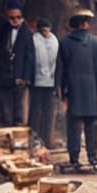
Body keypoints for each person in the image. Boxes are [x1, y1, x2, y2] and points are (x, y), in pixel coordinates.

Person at [57, 10, 97, 171]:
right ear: (85, 24)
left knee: (73, 127)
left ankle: (74, 159)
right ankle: (93, 158)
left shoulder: (64, 43)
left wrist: (62, 93)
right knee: (91, 125)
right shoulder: (96, 43)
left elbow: (61, 70)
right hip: (91, 91)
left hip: (73, 91)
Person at [0, 0, 33, 126]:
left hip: (19, 79)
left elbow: (30, 57)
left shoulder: (27, 33)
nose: (15, 20)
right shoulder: (1, 31)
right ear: (7, 17)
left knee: (20, 113)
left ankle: (18, 138)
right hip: (2, 77)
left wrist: (24, 77)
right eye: (12, 18)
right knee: (4, 112)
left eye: (18, 17)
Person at [29, 17, 59, 147]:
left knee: (49, 112)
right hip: (37, 81)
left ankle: (48, 138)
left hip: (51, 82)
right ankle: (34, 138)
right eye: (43, 31)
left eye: (47, 31)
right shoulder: (34, 40)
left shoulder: (54, 41)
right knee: (36, 111)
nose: (45, 33)